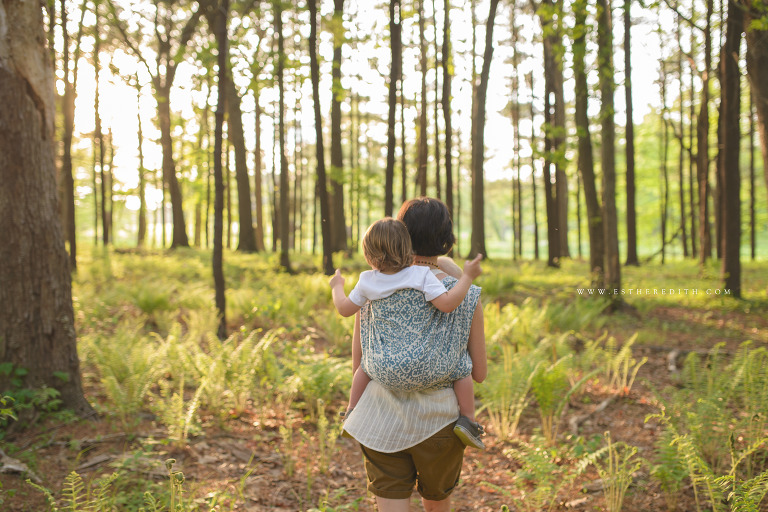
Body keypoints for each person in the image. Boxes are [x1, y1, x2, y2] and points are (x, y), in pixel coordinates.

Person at [342, 197, 487, 512]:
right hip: (441, 426)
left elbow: (359, 363)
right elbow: (479, 373)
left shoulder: (371, 289)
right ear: (447, 241)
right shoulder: (466, 294)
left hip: (380, 419)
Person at [329, 217, 484, 449]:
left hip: (382, 372)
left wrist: (336, 286)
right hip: (432, 378)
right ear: (407, 250)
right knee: (462, 368)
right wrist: (467, 277)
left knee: (363, 367)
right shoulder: (421, 277)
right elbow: (448, 303)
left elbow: (343, 309)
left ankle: (352, 412)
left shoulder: (367, 282)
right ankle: (468, 420)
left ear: (368, 255)